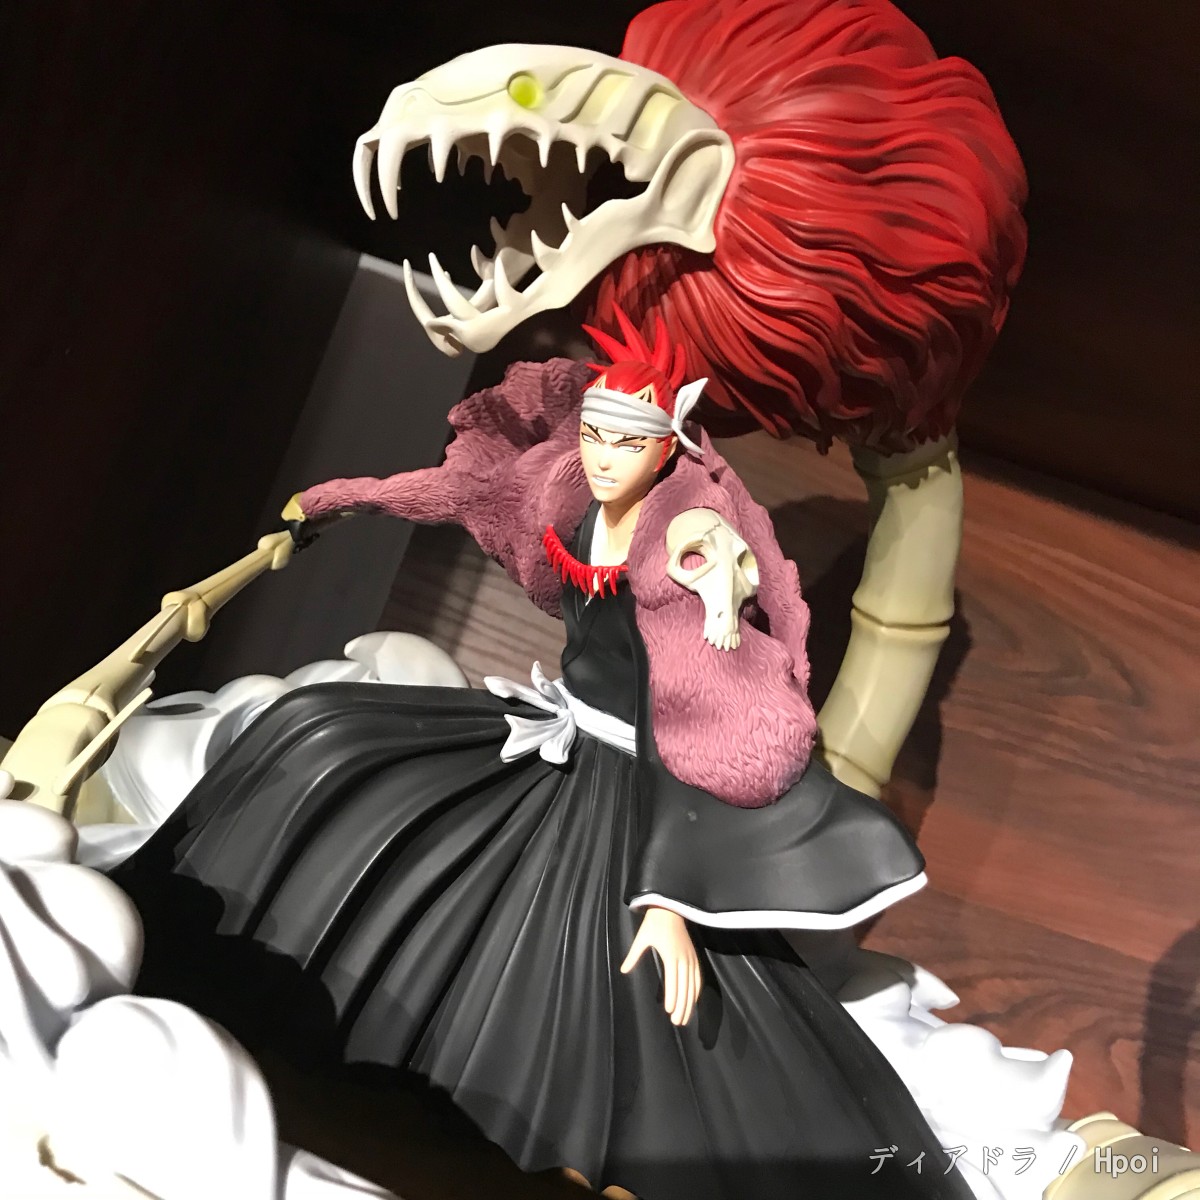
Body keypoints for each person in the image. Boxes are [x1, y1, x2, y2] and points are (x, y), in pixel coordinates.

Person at [109, 312, 970, 1200]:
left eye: (628, 443)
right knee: (323, 737)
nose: (604, 457)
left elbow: (697, 691)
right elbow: (449, 493)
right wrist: (334, 501)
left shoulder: (682, 548)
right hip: (554, 744)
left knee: (619, 1000)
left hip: (646, 800)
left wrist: (667, 900)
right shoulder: (567, 497)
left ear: (667, 446)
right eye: (595, 434)